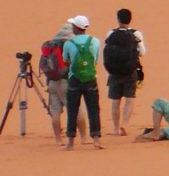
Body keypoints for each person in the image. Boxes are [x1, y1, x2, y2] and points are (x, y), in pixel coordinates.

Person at [61, 15, 103, 149]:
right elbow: (95, 60)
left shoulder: (69, 43)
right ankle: (96, 139)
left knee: (72, 110)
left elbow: (66, 60)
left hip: (74, 79)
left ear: (75, 28)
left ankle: (70, 142)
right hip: (90, 78)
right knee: (94, 109)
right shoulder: (95, 41)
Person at [103, 8, 146, 136]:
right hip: (130, 70)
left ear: (118, 19)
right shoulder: (136, 34)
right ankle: (125, 123)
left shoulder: (111, 33)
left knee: (115, 100)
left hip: (114, 72)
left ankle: (116, 128)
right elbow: (142, 52)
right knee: (130, 98)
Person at [37, 23, 73, 146]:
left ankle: (58, 139)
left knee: (55, 112)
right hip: (65, 82)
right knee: (73, 110)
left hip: (52, 82)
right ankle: (73, 137)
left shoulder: (50, 47)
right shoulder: (68, 46)